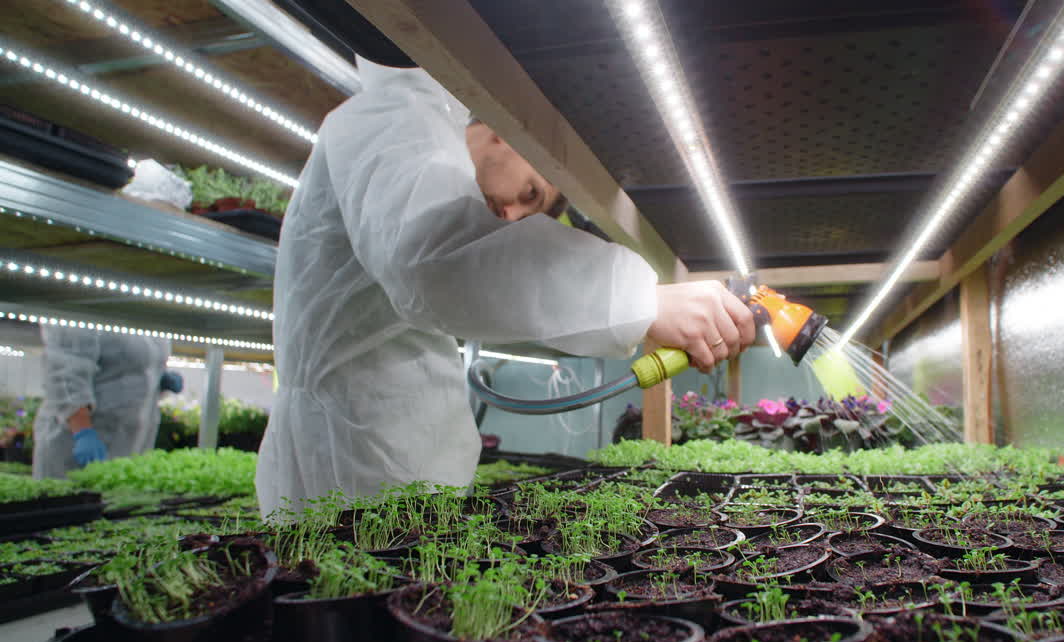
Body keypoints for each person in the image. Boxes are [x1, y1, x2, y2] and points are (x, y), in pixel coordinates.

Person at [254, 58, 754, 518]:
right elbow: (432, 261)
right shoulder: (398, 113)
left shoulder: (422, 129)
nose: (512, 216)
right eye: (530, 192)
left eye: (530, 214)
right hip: (350, 471)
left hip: (375, 461)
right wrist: (643, 300)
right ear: (505, 133)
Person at [33, 326, 184, 479]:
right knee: (69, 497)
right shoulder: (88, 310)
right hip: (76, 440)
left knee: (115, 496)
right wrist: (82, 432)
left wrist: (159, 379)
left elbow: (140, 365)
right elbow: (65, 372)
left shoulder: (148, 317)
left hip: (130, 443)